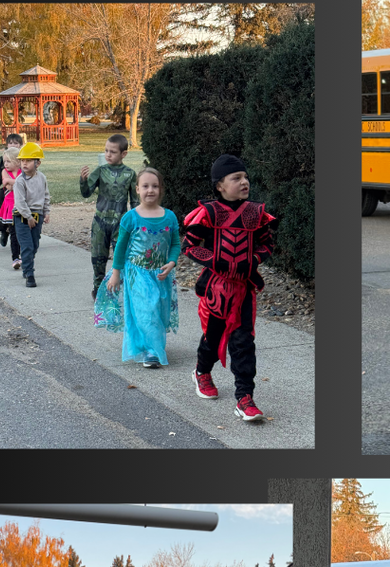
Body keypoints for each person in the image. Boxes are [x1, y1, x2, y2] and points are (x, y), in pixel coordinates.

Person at [182, 154, 277, 422]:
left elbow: (267, 245)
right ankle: (202, 371)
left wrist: (253, 260)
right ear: (220, 185)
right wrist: (216, 261)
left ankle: (245, 398)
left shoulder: (256, 213)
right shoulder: (209, 213)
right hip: (215, 289)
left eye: (245, 177)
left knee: (243, 342)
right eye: (236, 178)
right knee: (212, 339)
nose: (244, 181)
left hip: (244, 290)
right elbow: (190, 245)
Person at [94, 167, 180, 368]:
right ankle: (151, 352)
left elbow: (175, 243)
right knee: (145, 309)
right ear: (137, 189)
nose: (150, 190)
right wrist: (116, 273)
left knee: (158, 310)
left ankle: (152, 344)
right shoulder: (131, 217)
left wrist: (172, 261)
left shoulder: (169, 217)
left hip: (161, 274)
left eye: (155, 186)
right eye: (145, 186)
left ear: (161, 189)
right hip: (137, 273)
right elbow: (121, 247)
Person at [80, 133, 140, 299]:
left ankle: (121, 286)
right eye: (106, 150)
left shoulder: (130, 174)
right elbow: (86, 193)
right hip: (100, 221)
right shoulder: (100, 171)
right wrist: (83, 180)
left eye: (113, 152)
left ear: (123, 154)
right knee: (98, 257)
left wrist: (137, 224)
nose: (108, 154)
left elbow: (135, 202)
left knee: (122, 256)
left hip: (120, 223)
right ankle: (98, 289)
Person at [11, 142, 50, 288]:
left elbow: (46, 196)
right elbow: (20, 202)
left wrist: (46, 212)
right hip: (22, 217)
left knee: (34, 245)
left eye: (28, 161)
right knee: (26, 245)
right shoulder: (20, 181)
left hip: (37, 215)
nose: (24, 164)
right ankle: (29, 274)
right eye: (22, 161)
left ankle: (27, 264)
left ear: (38, 163)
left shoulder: (42, 178)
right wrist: (28, 217)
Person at [0, 133, 23, 244]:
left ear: (20, 145)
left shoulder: (23, 160)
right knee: (4, 214)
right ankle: (4, 232)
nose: (12, 145)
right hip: (7, 193)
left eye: (15, 143)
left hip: (21, 194)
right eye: (10, 143)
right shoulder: (5, 160)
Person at [0, 151, 22, 270]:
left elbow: (19, 184)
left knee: (24, 233)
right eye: (4, 161)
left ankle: (25, 255)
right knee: (14, 233)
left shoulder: (23, 171)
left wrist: (13, 183)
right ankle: (15, 257)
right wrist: (18, 183)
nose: (5, 164)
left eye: (8, 161)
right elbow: (7, 184)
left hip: (23, 204)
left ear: (17, 161)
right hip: (10, 205)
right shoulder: (4, 172)